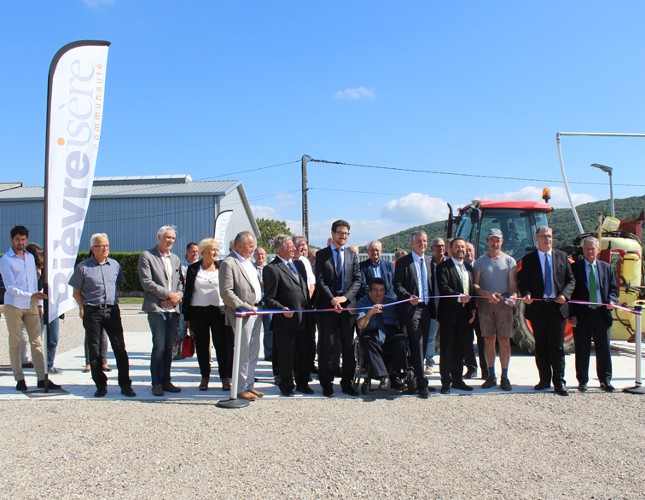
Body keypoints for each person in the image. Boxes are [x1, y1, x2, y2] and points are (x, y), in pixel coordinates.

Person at [69, 233, 136, 397]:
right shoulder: (83, 267)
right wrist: (82, 307)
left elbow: (118, 286)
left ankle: (125, 384)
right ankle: (100, 384)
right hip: (92, 311)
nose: (105, 248)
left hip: (112, 310)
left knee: (119, 347)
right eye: (101, 246)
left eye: (107, 245)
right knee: (94, 349)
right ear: (93, 249)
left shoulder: (115, 265)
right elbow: (76, 292)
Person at [0, 225, 62, 391]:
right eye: (17, 239)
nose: (21, 242)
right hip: (14, 305)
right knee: (16, 342)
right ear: (12, 240)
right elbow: (10, 287)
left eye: (23, 239)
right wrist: (31, 296)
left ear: (26, 240)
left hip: (32, 304)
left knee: (37, 342)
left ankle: (42, 378)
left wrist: (39, 303)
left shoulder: (29, 258)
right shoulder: (6, 260)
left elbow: (34, 283)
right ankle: (19, 379)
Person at [518, 226, 575, 396]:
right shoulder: (529, 260)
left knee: (557, 346)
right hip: (538, 308)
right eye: (543, 236)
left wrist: (565, 295)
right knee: (541, 346)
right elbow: (523, 283)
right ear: (537, 239)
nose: (547, 239)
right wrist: (526, 294)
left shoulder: (563, 257)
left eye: (550, 236)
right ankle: (544, 380)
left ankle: (559, 382)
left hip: (557, 308)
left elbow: (570, 280)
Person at [314, 219, 361, 397]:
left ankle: (347, 383)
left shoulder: (352, 255)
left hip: (348, 308)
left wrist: (345, 297)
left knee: (348, 348)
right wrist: (333, 299)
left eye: (346, 233)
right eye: (340, 233)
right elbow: (320, 281)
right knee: (327, 347)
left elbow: (357, 280)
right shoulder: (322, 255)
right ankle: (326, 384)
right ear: (332, 234)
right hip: (328, 308)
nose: (343, 236)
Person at [263, 235, 312, 396]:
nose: (294, 249)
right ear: (281, 249)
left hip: (304, 319)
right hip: (286, 322)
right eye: (291, 247)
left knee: (304, 354)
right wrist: (282, 309)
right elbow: (269, 298)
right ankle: (287, 386)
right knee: (287, 357)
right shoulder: (272, 268)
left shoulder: (298, 264)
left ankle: (303, 383)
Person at [137, 225, 184, 397]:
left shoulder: (176, 259)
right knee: (158, 346)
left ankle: (166, 380)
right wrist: (167, 294)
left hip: (173, 309)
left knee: (168, 347)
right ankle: (156, 382)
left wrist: (176, 296)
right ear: (159, 238)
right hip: (156, 308)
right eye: (167, 237)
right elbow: (147, 282)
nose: (170, 241)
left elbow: (180, 282)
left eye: (172, 238)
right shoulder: (147, 256)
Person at [182, 238, 233, 391]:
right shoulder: (193, 269)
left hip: (219, 311)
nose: (216, 253)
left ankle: (225, 377)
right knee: (202, 346)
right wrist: (187, 316)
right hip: (198, 312)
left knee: (222, 345)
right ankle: (205, 376)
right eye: (212, 250)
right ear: (204, 252)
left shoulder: (222, 267)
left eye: (217, 249)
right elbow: (188, 293)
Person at [569, 236, 618, 392]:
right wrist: (571, 314)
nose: (590, 251)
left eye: (593, 248)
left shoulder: (606, 268)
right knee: (582, 348)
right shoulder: (575, 268)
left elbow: (613, 289)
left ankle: (605, 380)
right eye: (587, 248)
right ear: (583, 250)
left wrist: (611, 301)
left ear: (598, 250)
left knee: (603, 348)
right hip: (582, 315)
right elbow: (570, 293)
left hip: (601, 314)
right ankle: (582, 380)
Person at [219, 231, 264, 401]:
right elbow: (226, 292)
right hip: (242, 313)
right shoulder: (229, 263)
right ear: (239, 245)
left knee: (253, 350)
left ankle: (249, 384)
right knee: (242, 351)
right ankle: (239, 387)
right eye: (250, 246)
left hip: (256, 311)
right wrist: (245, 306)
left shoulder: (248, 262)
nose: (253, 249)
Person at [473, 229, 518, 391]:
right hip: (486, 305)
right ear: (487, 241)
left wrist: (512, 297)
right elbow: (476, 285)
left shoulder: (509, 261)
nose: (495, 244)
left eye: (497, 240)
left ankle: (504, 376)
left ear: (502, 241)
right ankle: (491, 375)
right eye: (492, 240)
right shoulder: (479, 262)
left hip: (503, 305)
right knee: (488, 339)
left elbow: (513, 287)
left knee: (504, 340)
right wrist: (485, 294)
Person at [393, 230, 436, 398]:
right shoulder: (403, 262)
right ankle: (422, 382)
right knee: (416, 342)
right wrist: (407, 296)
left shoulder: (430, 261)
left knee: (424, 343)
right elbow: (397, 285)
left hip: (427, 308)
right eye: (419, 241)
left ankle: (418, 378)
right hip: (411, 309)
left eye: (425, 241)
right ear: (412, 243)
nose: (422, 244)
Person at [436, 237, 475, 394]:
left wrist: (473, 310)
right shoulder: (443, 267)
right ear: (450, 249)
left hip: (465, 315)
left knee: (461, 348)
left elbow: (471, 291)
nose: (461, 250)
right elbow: (443, 287)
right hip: (449, 315)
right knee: (447, 348)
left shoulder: (469, 268)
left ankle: (458, 380)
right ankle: (446, 381)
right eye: (457, 247)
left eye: (463, 247)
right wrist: (459, 296)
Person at [356, 278, 408, 390]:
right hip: (371, 331)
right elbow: (360, 325)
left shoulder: (391, 302)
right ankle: (384, 377)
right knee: (367, 341)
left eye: (381, 290)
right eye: (375, 290)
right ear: (369, 291)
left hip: (390, 331)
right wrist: (369, 313)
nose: (378, 293)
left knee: (401, 339)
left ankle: (395, 375)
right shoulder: (362, 302)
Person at [25, 242, 62, 374]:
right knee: (37, 339)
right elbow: (37, 289)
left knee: (53, 338)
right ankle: (39, 366)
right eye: (39, 256)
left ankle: (49, 364)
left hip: (51, 307)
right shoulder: (30, 272)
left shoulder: (48, 270)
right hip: (36, 308)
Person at [293, 235, 317, 377]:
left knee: (308, 340)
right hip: (294, 308)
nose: (304, 248)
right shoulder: (290, 262)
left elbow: (311, 283)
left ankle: (306, 369)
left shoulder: (305, 262)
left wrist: (307, 300)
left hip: (307, 307)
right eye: (301, 244)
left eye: (305, 245)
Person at [424, 237, 448, 375]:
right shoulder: (427, 263)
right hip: (432, 305)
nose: (441, 248)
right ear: (432, 248)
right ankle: (429, 362)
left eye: (443, 246)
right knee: (430, 336)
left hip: (447, 305)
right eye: (437, 246)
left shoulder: (450, 263)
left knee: (447, 336)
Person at [175, 242, 199, 359]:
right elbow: (181, 282)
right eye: (192, 251)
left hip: (198, 300)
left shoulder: (202, 266)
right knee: (182, 326)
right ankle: (179, 351)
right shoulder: (182, 267)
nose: (195, 254)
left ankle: (197, 350)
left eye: (197, 252)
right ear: (187, 252)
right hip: (185, 300)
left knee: (197, 327)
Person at [253, 247, 273, 363]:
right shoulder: (251, 268)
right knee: (254, 331)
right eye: (258, 254)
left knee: (269, 329)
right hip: (256, 304)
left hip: (268, 303)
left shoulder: (269, 268)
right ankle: (253, 355)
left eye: (262, 254)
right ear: (254, 256)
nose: (260, 256)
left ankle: (269, 353)